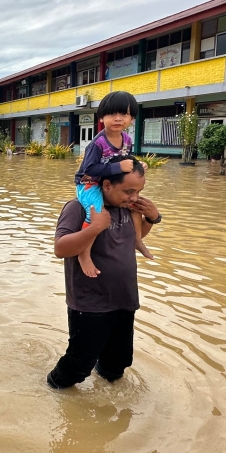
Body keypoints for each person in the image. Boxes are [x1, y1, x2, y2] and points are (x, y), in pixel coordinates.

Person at [47, 156, 162, 389]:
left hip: (124, 299)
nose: (134, 197)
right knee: (78, 365)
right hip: (90, 303)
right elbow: (61, 249)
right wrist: (96, 227)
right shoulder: (79, 208)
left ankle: (109, 396)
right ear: (107, 185)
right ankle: (52, 389)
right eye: (128, 191)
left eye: (139, 191)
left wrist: (153, 217)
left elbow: (130, 240)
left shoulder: (128, 209)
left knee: (117, 364)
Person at [74, 91, 153, 278]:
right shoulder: (98, 143)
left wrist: (137, 164)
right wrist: (118, 166)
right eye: (112, 114)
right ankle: (84, 254)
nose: (118, 119)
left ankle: (137, 240)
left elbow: (126, 159)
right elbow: (90, 169)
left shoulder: (127, 139)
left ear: (132, 118)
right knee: (96, 212)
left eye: (124, 114)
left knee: (134, 204)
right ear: (101, 117)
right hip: (88, 184)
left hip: (110, 183)